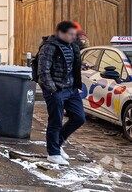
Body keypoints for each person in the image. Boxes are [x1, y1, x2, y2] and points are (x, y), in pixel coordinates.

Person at [36, 20, 85, 166]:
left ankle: (57, 144)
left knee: (79, 117)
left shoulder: (73, 46)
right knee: (55, 121)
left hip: (71, 89)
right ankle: (53, 153)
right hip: (56, 90)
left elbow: (70, 64)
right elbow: (43, 71)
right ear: (61, 33)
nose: (73, 37)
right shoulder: (49, 47)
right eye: (70, 34)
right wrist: (53, 89)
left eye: (74, 34)